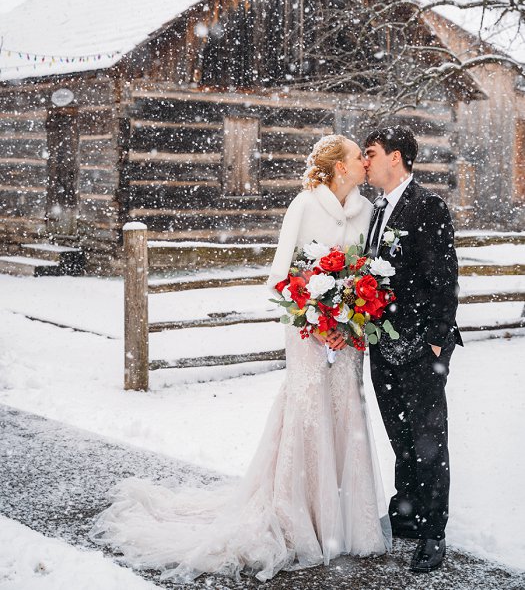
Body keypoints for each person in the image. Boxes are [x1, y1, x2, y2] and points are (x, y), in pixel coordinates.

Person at [90, 134, 391, 583]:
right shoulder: (304, 206)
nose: (364, 163)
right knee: (307, 414)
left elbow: (368, 270)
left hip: (349, 338)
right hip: (308, 332)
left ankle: (348, 521)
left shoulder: (367, 212)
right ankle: (299, 516)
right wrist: (315, 306)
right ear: (338, 167)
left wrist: (352, 308)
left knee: (347, 411)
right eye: (356, 157)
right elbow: (277, 278)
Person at [359, 125, 461, 573]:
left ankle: (433, 532)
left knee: (428, 443)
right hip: (383, 347)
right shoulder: (377, 209)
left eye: (371, 153)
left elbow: (445, 278)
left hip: (421, 347)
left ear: (395, 158)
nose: (365, 161)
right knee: (400, 438)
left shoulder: (428, 206)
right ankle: (406, 514)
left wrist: (437, 338)